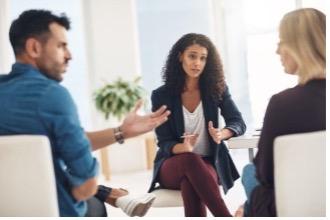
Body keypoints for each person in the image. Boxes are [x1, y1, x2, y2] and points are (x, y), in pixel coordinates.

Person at [0, 9, 171, 217]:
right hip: (54, 211)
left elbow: (65, 142)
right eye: (61, 46)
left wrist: (122, 131)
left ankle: (114, 195)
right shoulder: (52, 95)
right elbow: (86, 186)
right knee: (93, 202)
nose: (69, 55)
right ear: (34, 47)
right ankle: (114, 196)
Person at [235, 8, 326, 217]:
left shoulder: (282, 104)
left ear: (298, 46)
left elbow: (265, 174)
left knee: (249, 172)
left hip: (285, 208)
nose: (277, 51)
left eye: (281, 42)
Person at [148, 33, 246, 217]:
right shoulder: (162, 95)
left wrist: (221, 134)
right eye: (192, 56)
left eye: (203, 58)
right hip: (172, 165)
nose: (197, 63)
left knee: (191, 181)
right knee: (190, 159)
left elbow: (238, 122)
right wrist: (183, 147)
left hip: (208, 162)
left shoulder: (217, 89)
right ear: (180, 57)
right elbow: (164, 141)